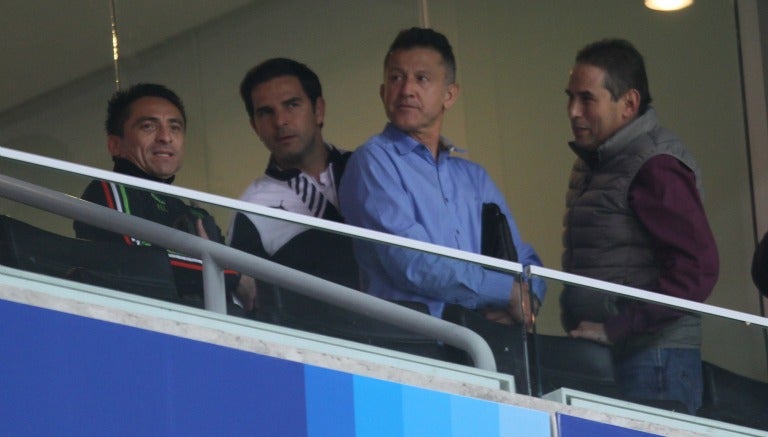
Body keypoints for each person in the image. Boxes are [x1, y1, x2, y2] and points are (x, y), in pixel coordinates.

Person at [338, 27, 545, 328]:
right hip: (414, 346)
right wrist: (507, 294)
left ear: (450, 95)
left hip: (485, 347)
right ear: (383, 92)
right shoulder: (373, 160)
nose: (406, 89)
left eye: (421, 78)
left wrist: (528, 297)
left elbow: (523, 256)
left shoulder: (474, 178)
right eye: (396, 78)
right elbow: (412, 263)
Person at [560, 39, 719, 414]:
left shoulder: (655, 164)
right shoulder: (599, 160)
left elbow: (698, 269)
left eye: (587, 99)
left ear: (629, 104)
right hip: (619, 354)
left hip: (654, 359)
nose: (573, 112)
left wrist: (618, 327)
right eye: (570, 97)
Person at [74, 83, 255, 311]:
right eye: (149, 126)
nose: (165, 137)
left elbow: (242, 291)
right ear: (115, 144)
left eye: (175, 127)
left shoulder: (194, 213)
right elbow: (139, 262)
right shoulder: (107, 189)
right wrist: (231, 274)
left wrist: (224, 272)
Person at [228, 58, 358, 291]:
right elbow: (248, 305)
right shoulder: (252, 209)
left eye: (291, 105)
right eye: (266, 113)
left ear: (318, 110)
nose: (280, 121)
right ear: (255, 127)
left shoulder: (366, 169)